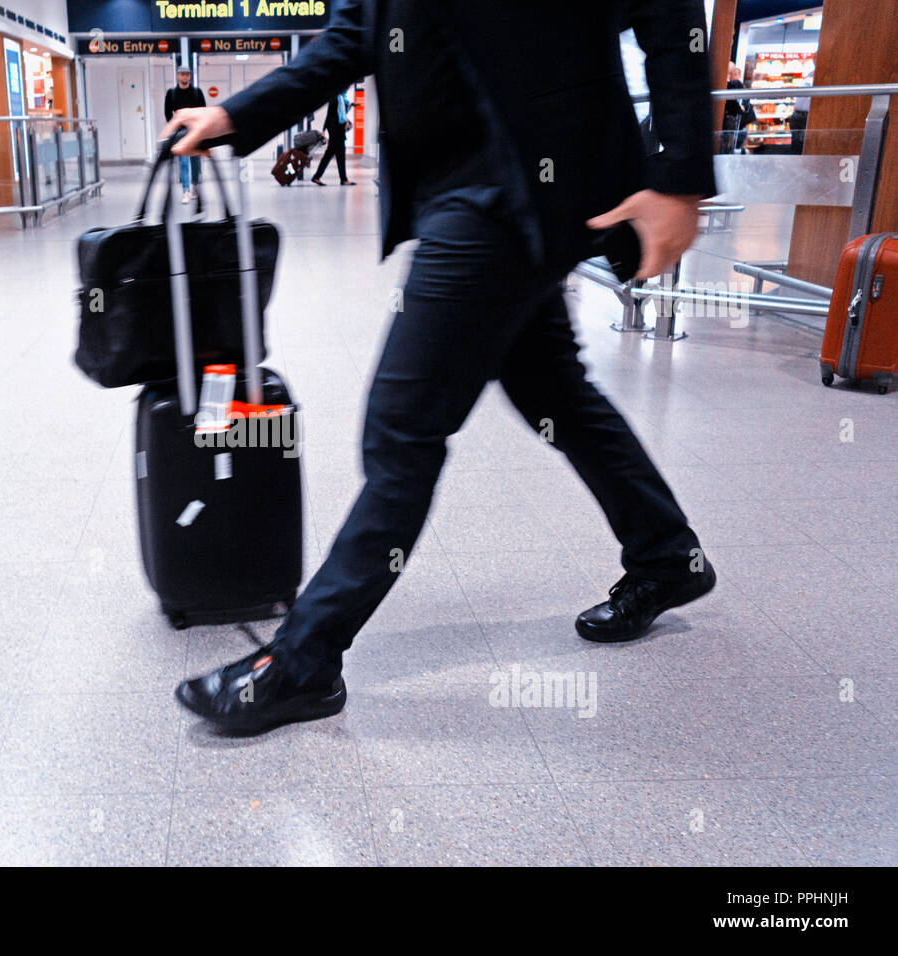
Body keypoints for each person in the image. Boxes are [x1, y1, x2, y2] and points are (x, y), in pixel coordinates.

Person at [165, 0, 718, 734]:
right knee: (557, 392)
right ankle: (667, 553)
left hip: (509, 189)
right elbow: (352, 36)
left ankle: (305, 660)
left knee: (402, 432)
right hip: (460, 192)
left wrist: (681, 176)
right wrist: (233, 116)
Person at [163, 66, 206, 204]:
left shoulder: (197, 92)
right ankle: (186, 190)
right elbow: (167, 111)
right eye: (182, 74)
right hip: (180, 132)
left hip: (194, 131)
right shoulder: (172, 93)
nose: (185, 77)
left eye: (187, 74)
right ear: (177, 76)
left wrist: (199, 127)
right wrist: (174, 125)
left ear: (190, 76)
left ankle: (194, 186)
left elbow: (203, 110)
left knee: (195, 160)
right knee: (183, 162)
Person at [311, 90, 354, 185]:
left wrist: (350, 106)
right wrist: (323, 130)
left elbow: (341, 114)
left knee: (335, 155)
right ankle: (342, 179)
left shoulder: (341, 99)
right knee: (336, 154)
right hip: (335, 130)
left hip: (338, 129)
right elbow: (329, 114)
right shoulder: (335, 98)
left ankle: (318, 177)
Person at [721, 62, 755, 154]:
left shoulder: (732, 85)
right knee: (727, 144)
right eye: (733, 73)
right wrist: (740, 109)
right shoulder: (731, 85)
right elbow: (733, 105)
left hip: (734, 124)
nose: (734, 76)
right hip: (730, 124)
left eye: (736, 74)